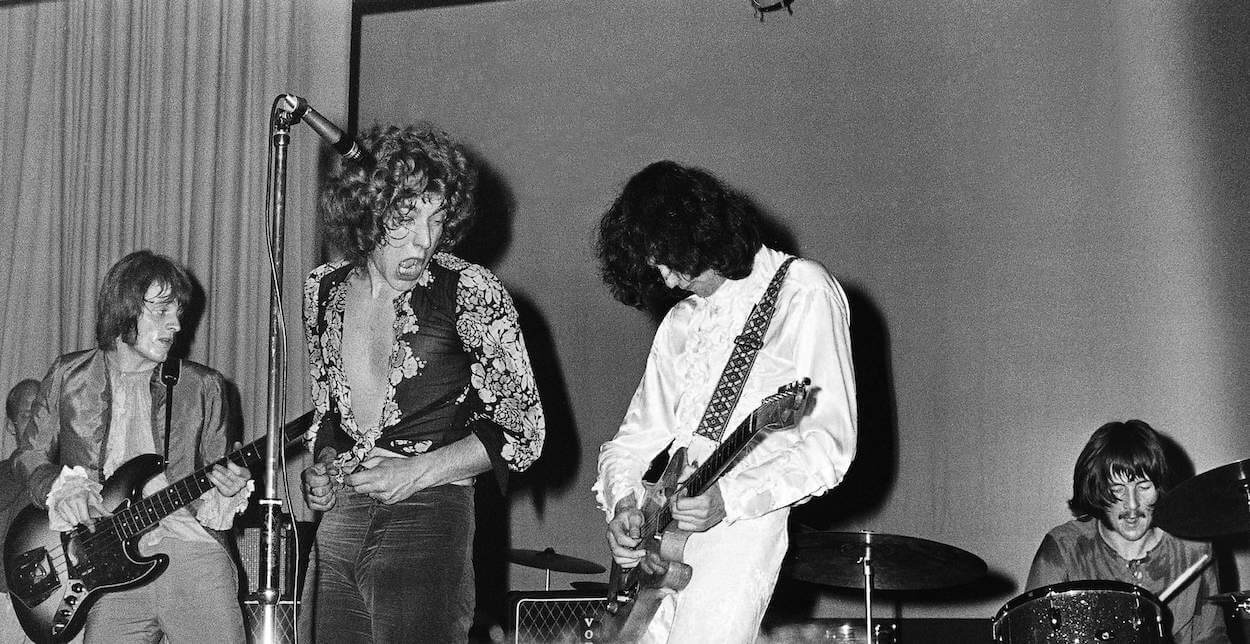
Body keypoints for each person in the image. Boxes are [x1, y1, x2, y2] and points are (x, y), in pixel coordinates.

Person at [593, 160, 858, 642]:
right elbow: (629, 444)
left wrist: (728, 500)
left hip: (742, 530)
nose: (667, 280)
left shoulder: (802, 291)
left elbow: (829, 449)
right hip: (661, 538)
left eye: (668, 260)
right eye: (655, 267)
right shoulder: (681, 322)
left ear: (699, 230)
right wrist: (625, 505)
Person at [300, 123, 545, 643]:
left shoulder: (471, 291)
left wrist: (419, 472)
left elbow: (524, 432)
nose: (423, 240)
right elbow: (327, 412)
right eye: (405, 219)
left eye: (436, 220)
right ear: (366, 210)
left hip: (431, 511)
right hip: (341, 519)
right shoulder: (321, 291)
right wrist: (322, 466)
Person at [11, 250, 253, 643]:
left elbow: (221, 471)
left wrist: (230, 486)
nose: (176, 324)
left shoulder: (203, 386)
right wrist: (62, 487)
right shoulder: (69, 376)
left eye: (177, 311)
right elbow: (29, 455)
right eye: (160, 311)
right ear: (124, 310)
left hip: (193, 558)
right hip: (110, 570)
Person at [1026, 420, 1227, 643]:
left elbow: (1212, 637)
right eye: (1117, 490)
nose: (1132, 505)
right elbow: (1031, 635)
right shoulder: (1064, 549)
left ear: (1159, 487)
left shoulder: (1195, 549)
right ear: (1096, 490)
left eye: (1143, 487)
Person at [3, 379, 39, 459]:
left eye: (42, 415)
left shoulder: (68, 470)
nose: (37, 423)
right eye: (27, 416)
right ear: (11, 425)